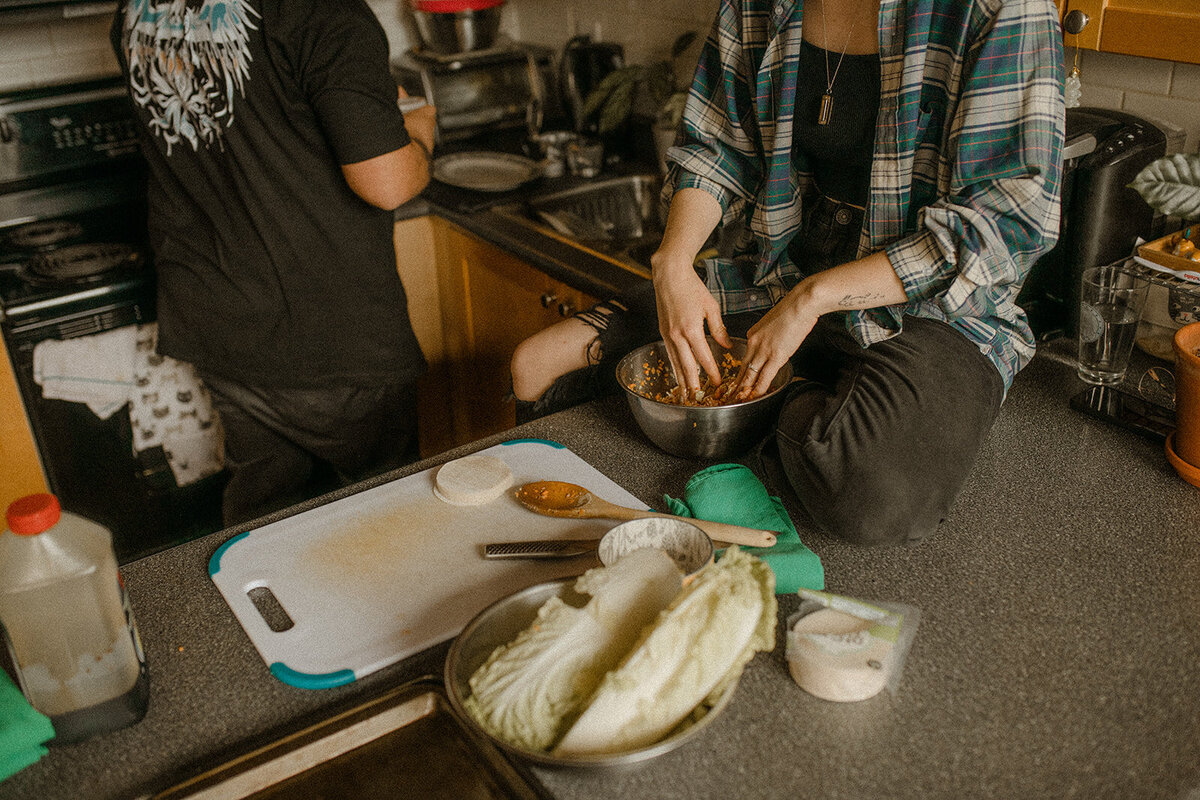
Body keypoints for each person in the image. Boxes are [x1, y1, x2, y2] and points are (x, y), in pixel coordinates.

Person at [511, 0, 1065, 545]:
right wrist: (673, 263)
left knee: (870, 497)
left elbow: (1003, 220)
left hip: (930, 308)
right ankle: (800, 398)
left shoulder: (999, 8)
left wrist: (813, 298)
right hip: (782, 277)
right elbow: (716, 150)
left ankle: (790, 395)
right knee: (540, 362)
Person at [111, 0, 438, 526]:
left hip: (216, 312)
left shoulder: (141, 8)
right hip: (326, 327)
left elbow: (252, 111)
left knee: (267, 516)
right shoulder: (325, 14)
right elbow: (389, 182)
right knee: (387, 518)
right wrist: (419, 128)